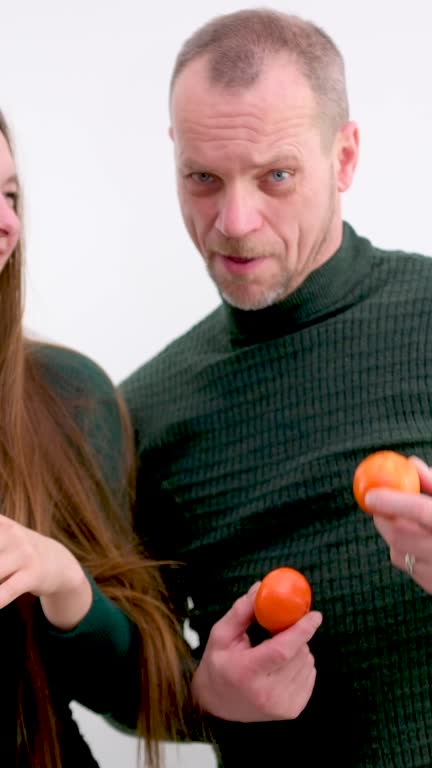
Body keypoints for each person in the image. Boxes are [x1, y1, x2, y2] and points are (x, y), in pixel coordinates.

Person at [120, 8, 432, 768]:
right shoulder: (138, 415)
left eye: (276, 176)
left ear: (346, 156)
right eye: (203, 178)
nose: (234, 221)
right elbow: (122, 673)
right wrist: (207, 697)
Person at [0, 110, 192, 768]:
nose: (7, 222)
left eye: (10, 194)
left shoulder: (69, 397)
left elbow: (154, 692)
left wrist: (65, 584)